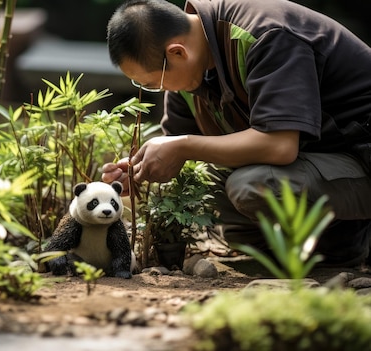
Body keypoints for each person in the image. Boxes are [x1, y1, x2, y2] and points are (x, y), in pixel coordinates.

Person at [102, 0, 371, 266]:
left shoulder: (265, 34)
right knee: (208, 184)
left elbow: (280, 146)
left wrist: (183, 146)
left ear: (177, 52)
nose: (159, 90)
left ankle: (357, 240)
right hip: (322, 159)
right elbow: (178, 153)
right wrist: (139, 171)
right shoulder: (190, 70)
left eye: (152, 83)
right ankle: (339, 248)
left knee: (254, 184)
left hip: (359, 154)